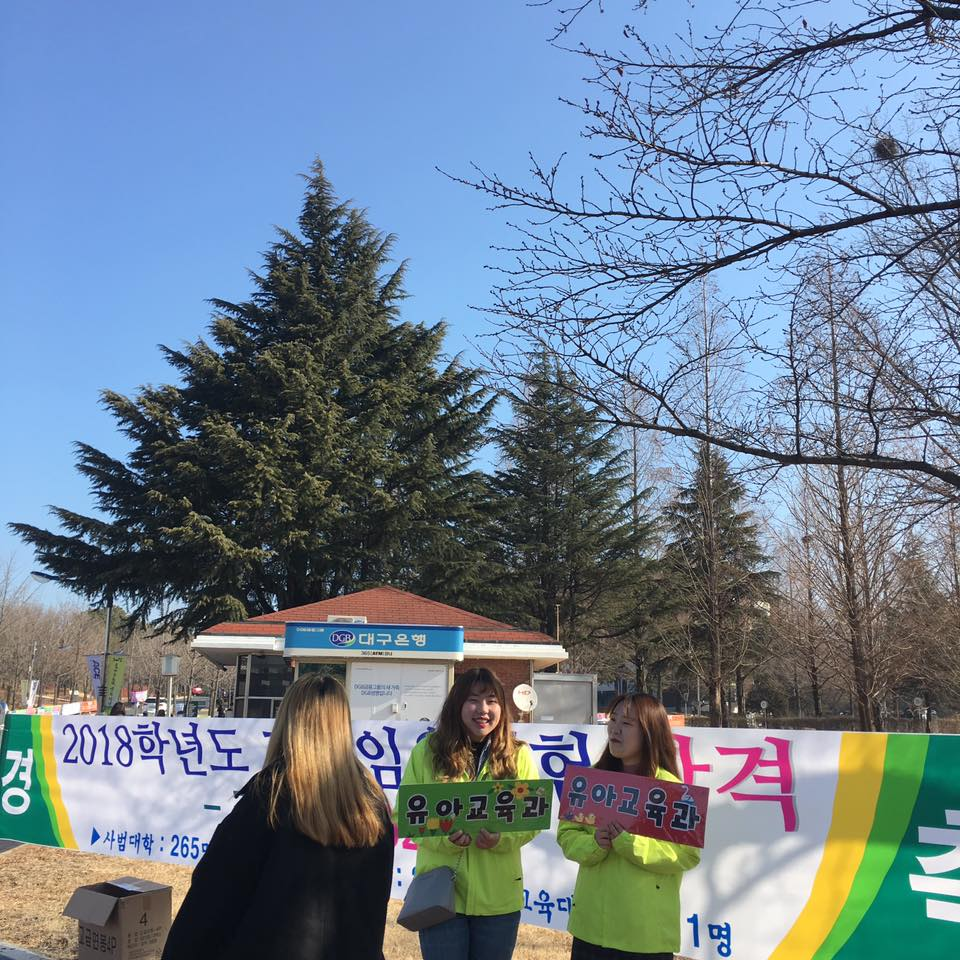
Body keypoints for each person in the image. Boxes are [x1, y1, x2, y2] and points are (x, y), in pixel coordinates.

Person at [161, 674, 393, 960]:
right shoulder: (372, 803)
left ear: (288, 722)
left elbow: (211, 899)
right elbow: (375, 907)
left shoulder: (270, 797)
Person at [399, 667, 540, 960]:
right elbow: (406, 815)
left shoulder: (519, 754)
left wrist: (501, 839)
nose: (483, 709)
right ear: (457, 704)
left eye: (491, 700)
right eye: (473, 700)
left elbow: (531, 820)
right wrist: (445, 838)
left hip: (498, 900)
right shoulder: (427, 752)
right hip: (440, 896)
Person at [557, 694, 701, 960]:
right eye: (612, 720)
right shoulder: (590, 780)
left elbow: (686, 854)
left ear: (650, 732)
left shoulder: (673, 790)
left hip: (645, 935)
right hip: (591, 928)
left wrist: (630, 843)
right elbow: (567, 835)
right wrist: (594, 844)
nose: (615, 729)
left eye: (626, 723)